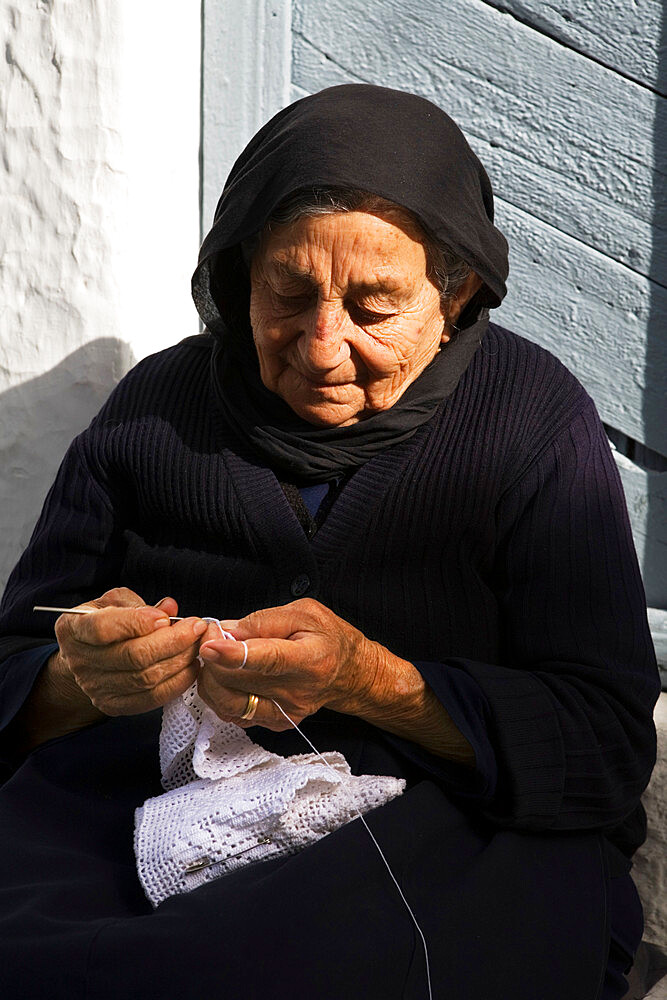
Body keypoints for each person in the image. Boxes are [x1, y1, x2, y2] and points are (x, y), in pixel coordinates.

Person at [0, 84, 659, 1000]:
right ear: (240, 277)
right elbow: (16, 659)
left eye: (373, 306)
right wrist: (80, 679)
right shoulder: (156, 410)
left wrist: (373, 683)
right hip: (142, 798)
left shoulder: (531, 425)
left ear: (454, 291)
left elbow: (603, 745)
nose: (320, 346)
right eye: (290, 292)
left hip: (435, 815)